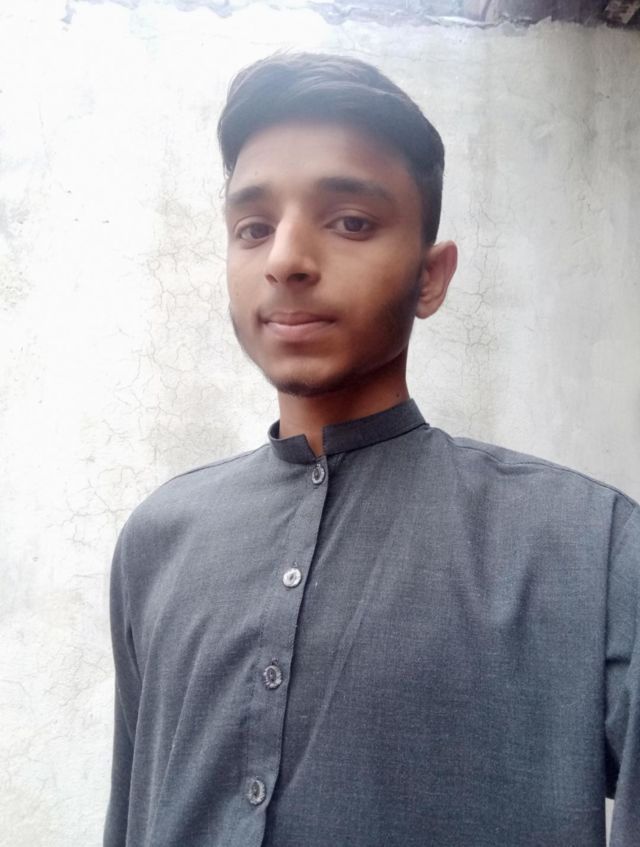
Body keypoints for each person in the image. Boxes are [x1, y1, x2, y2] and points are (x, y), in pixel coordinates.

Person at [104, 53, 639, 847]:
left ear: (431, 276)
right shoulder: (157, 540)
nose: (285, 259)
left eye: (351, 221)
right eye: (253, 228)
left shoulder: (593, 548)